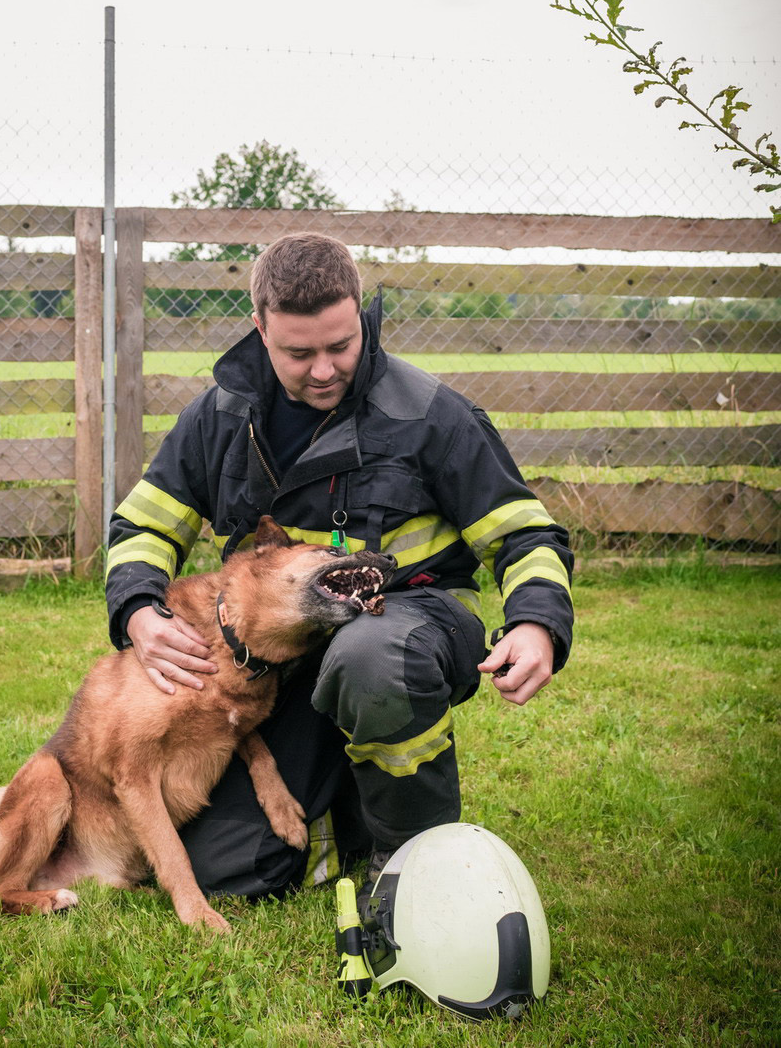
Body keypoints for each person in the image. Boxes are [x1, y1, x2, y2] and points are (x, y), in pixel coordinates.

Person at [105, 233, 573, 897]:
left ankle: (414, 855)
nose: (324, 370)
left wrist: (536, 623)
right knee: (227, 870)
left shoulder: (428, 414)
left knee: (370, 656)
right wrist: (138, 612)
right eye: (299, 354)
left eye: (341, 345)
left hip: (409, 625)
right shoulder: (219, 417)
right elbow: (144, 525)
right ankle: (347, 815)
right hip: (281, 662)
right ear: (261, 329)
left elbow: (524, 532)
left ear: (359, 314)